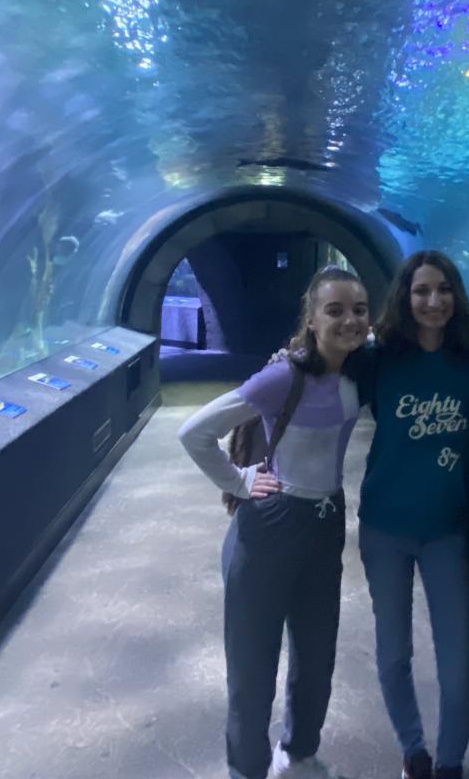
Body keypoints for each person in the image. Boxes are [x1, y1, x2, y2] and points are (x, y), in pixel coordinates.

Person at [177, 266, 371, 779]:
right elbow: (194, 432)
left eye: (359, 309)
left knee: (317, 655)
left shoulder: (360, 371)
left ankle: (301, 752)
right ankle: (246, 768)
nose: (349, 320)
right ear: (311, 318)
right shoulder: (284, 376)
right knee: (252, 663)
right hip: (270, 526)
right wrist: (238, 481)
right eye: (334, 310)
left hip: (326, 523)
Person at [356, 251, 469, 779]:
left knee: (458, 668)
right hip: (384, 527)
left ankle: (449, 763)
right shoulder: (378, 359)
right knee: (393, 654)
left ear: (457, 296)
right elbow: (319, 371)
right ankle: (414, 751)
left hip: (448, 531)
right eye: (422, 290)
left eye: (444, 288)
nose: (434, 300)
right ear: (404, 297)